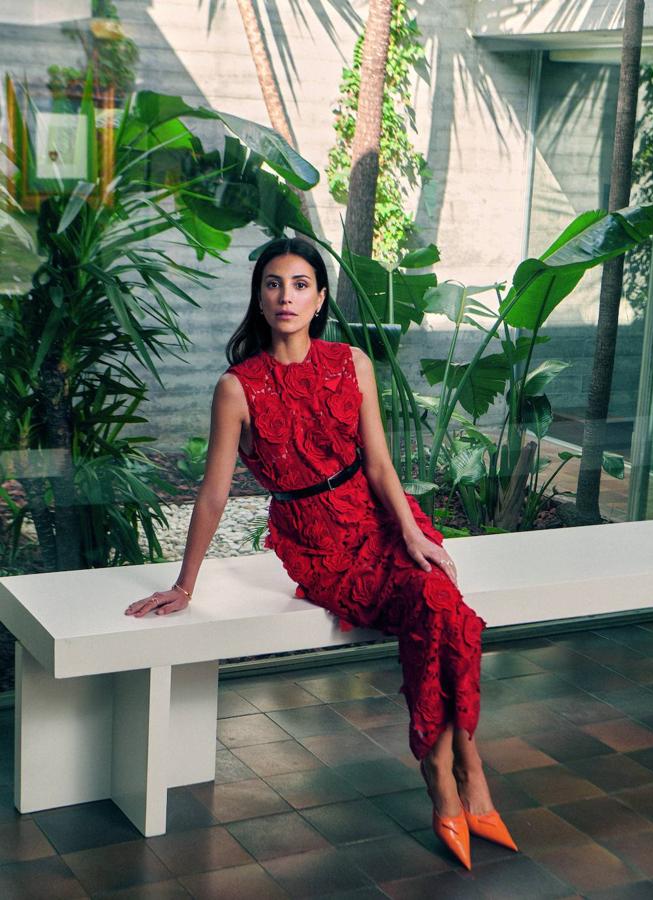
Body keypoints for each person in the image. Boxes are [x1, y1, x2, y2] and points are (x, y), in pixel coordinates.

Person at [124, 237, 517, 869]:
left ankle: (455, 762)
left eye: (301, 284)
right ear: (259, 296)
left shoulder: (350, 361)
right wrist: (185, 584)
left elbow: (381, 464)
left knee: (441, 599)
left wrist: (413, 533)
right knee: (433, 605)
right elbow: (213, 496)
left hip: (381, 518)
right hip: (317, 542)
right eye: (274, 284)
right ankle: (453, 768)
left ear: (320, 297)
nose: (286, 297)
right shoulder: (238, 387)